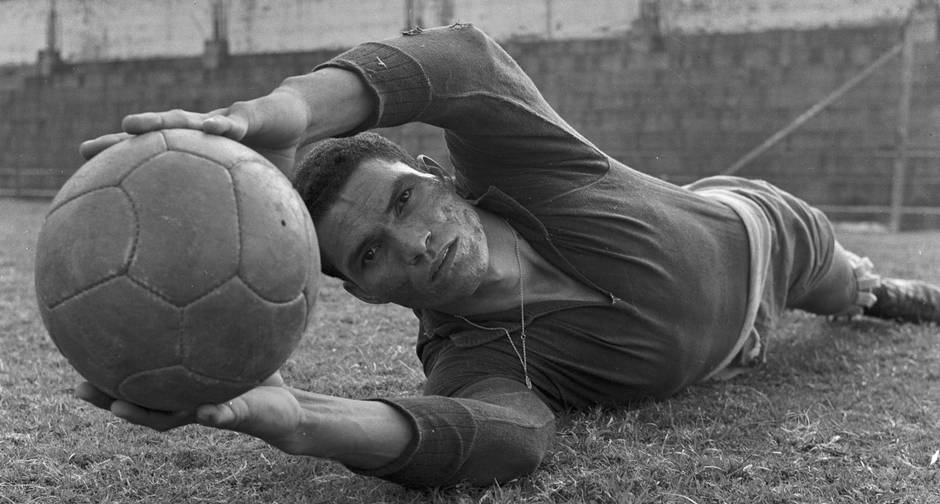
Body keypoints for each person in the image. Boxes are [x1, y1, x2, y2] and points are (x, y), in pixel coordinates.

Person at [76, 24, 940, 488]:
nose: (416, 244)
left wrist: (292, 111)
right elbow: (500, 438)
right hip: (721, 355)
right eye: (373, 255)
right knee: (755, 344)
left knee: (841, 289)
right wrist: (294, 418)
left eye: (408, 200)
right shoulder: (466, 355)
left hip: (762, 234)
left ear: (433, 172)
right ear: (362, 292)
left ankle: (875, 288)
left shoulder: (524, 167)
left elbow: (464, 59)